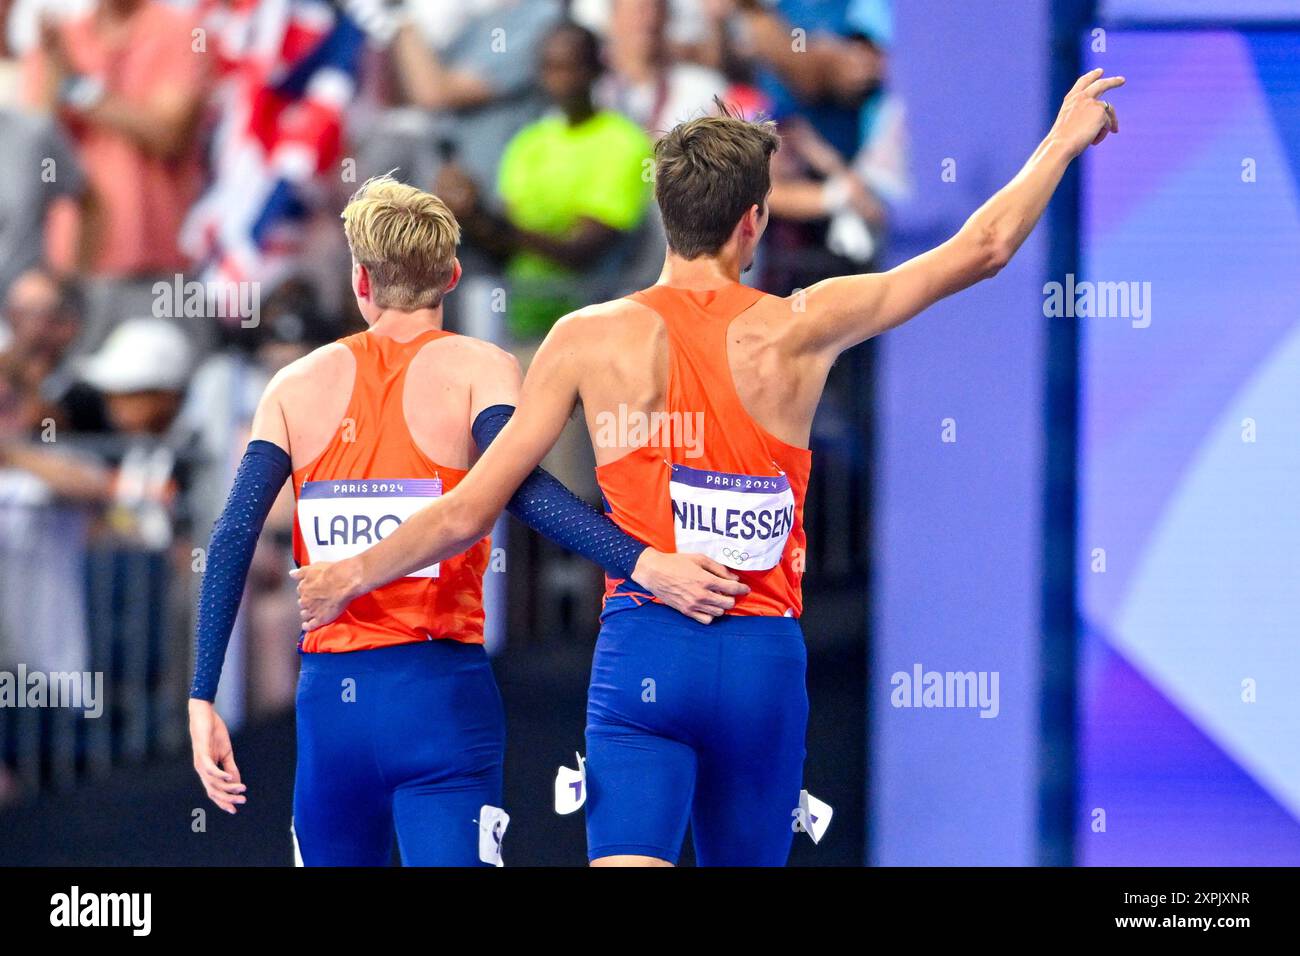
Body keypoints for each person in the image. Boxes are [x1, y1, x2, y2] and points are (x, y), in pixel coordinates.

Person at [294, 71, 1126, 866]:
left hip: (647, 654)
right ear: (754, 222)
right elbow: (982, 248)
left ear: (664, 213)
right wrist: (1060, 140)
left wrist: (349, 576)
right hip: (763, 661)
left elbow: (474, 505)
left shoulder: (588, 337)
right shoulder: (807, 322)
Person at [187, 176, 744, 866]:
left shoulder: (295, 385)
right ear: (451, 276)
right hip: (441, 699)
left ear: (360, 281)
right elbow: (526, 492)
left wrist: (201, 693)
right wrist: (642, 561)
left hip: (334, 705)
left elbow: (235, 533)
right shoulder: (481, 367)